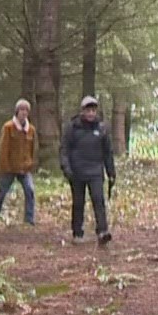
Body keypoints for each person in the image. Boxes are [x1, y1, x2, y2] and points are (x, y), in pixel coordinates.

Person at [60, 95, 117, 245]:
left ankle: (102, 231)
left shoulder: (102, 129)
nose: (91, 113)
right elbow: (64, 150)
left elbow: (107, 153)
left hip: (96, 172)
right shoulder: (72, 128)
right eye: (88, 110)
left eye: (93, 110)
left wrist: (111, 172)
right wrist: (67, 168)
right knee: (78, 203)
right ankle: (77, 233)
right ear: (83, 111)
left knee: (99, 201)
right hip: (77, 172)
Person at [0, 98, 38, 229]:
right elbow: (3, 148)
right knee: (2, 193)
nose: (24, 112)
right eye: (22, 109)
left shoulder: (31, 129)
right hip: (10, 168)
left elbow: (33, 149)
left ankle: (29, 220)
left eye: (26, 110)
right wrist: (4, 166)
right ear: (17, 111)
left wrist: (31, 164)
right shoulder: (8, 127)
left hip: (24, 168)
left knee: (30, 190)